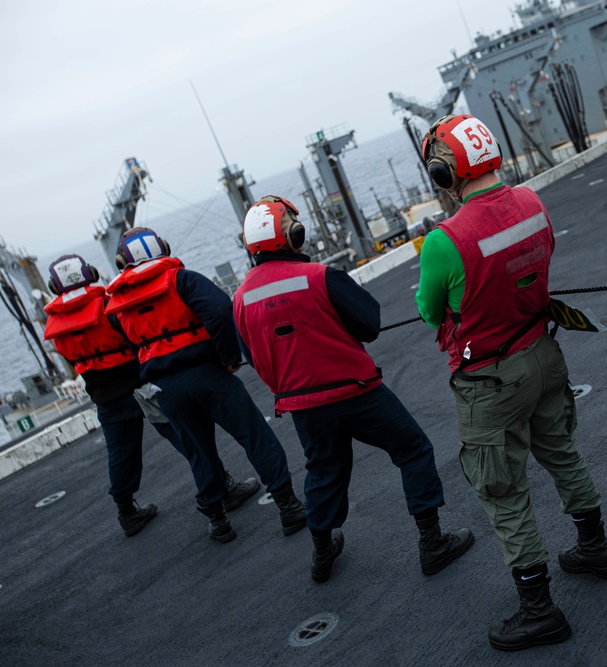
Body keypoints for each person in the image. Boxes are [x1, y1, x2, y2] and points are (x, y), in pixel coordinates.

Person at [417, 114, 607, 651]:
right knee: (562, 451)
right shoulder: (532, 203)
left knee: (503, 490)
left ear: (445, 173)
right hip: (543, 353)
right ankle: (595, 548)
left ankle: (538, 608)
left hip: (490, 378)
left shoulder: (444, 240)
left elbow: (427, 310)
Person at [232, 195, 474, 583]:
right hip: (358, 392)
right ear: (294, 234)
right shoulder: (320, 276)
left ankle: (322, 553)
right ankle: (432, 543)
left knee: (323, 473)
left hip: (304, 406)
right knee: (412, 450)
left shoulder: (241, 299)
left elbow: (254, 357)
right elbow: (369, 325)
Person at [105, 227, 307, 543]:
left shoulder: (116, 303)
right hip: (209, 375)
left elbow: (130, 343)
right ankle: (289, 507)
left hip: (166, 389)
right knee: (255, 436)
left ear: (122, 262)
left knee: (199, 453)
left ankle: (218, 521)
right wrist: (228, 357)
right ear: (163, 248)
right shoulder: (182, 280)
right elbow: (219, 309)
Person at [42, 254, 259, 537]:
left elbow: (75, 361)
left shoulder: (57, 327)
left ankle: (127, 512)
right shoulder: (108, 305)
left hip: (106, 397)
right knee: (189, 441)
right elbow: (135, 336)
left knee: (121, 455)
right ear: (91, 274)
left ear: (52, 286)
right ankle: (225, 490)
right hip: (142, 388)